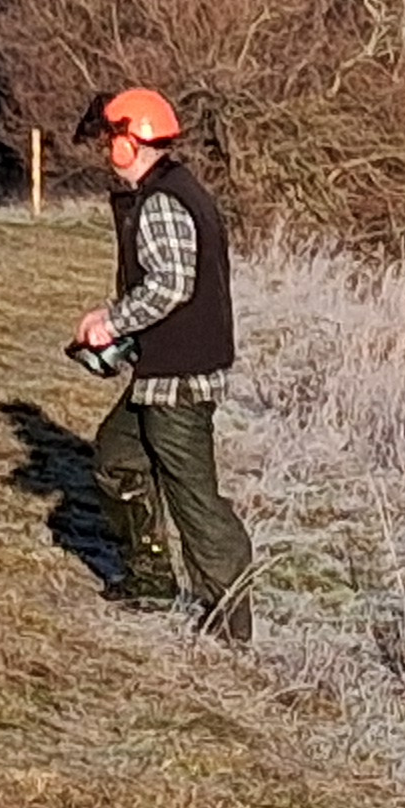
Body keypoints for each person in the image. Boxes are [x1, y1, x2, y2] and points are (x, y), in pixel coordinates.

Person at [72, 85, 255, 643]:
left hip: (178, 378)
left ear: (133, 142)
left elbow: (172, 285)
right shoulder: (173, 189)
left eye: (112, 138)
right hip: (164, 373)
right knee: (116, 457)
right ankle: (150, 578)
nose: (107, 150)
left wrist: (112, 322)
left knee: (194, 494)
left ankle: (229, 618)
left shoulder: (161, 202)